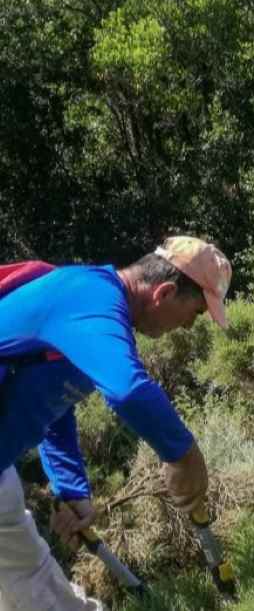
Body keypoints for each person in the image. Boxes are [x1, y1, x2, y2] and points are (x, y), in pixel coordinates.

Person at [0, 236, 232, 610]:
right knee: (38, 590)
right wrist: (184, 456)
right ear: (164, 293)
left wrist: (71, 489)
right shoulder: (91, 299)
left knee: (28, 589)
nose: (190, 326)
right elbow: (128, 390)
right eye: (197, 312)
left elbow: (55, 400)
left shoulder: (93, 310)